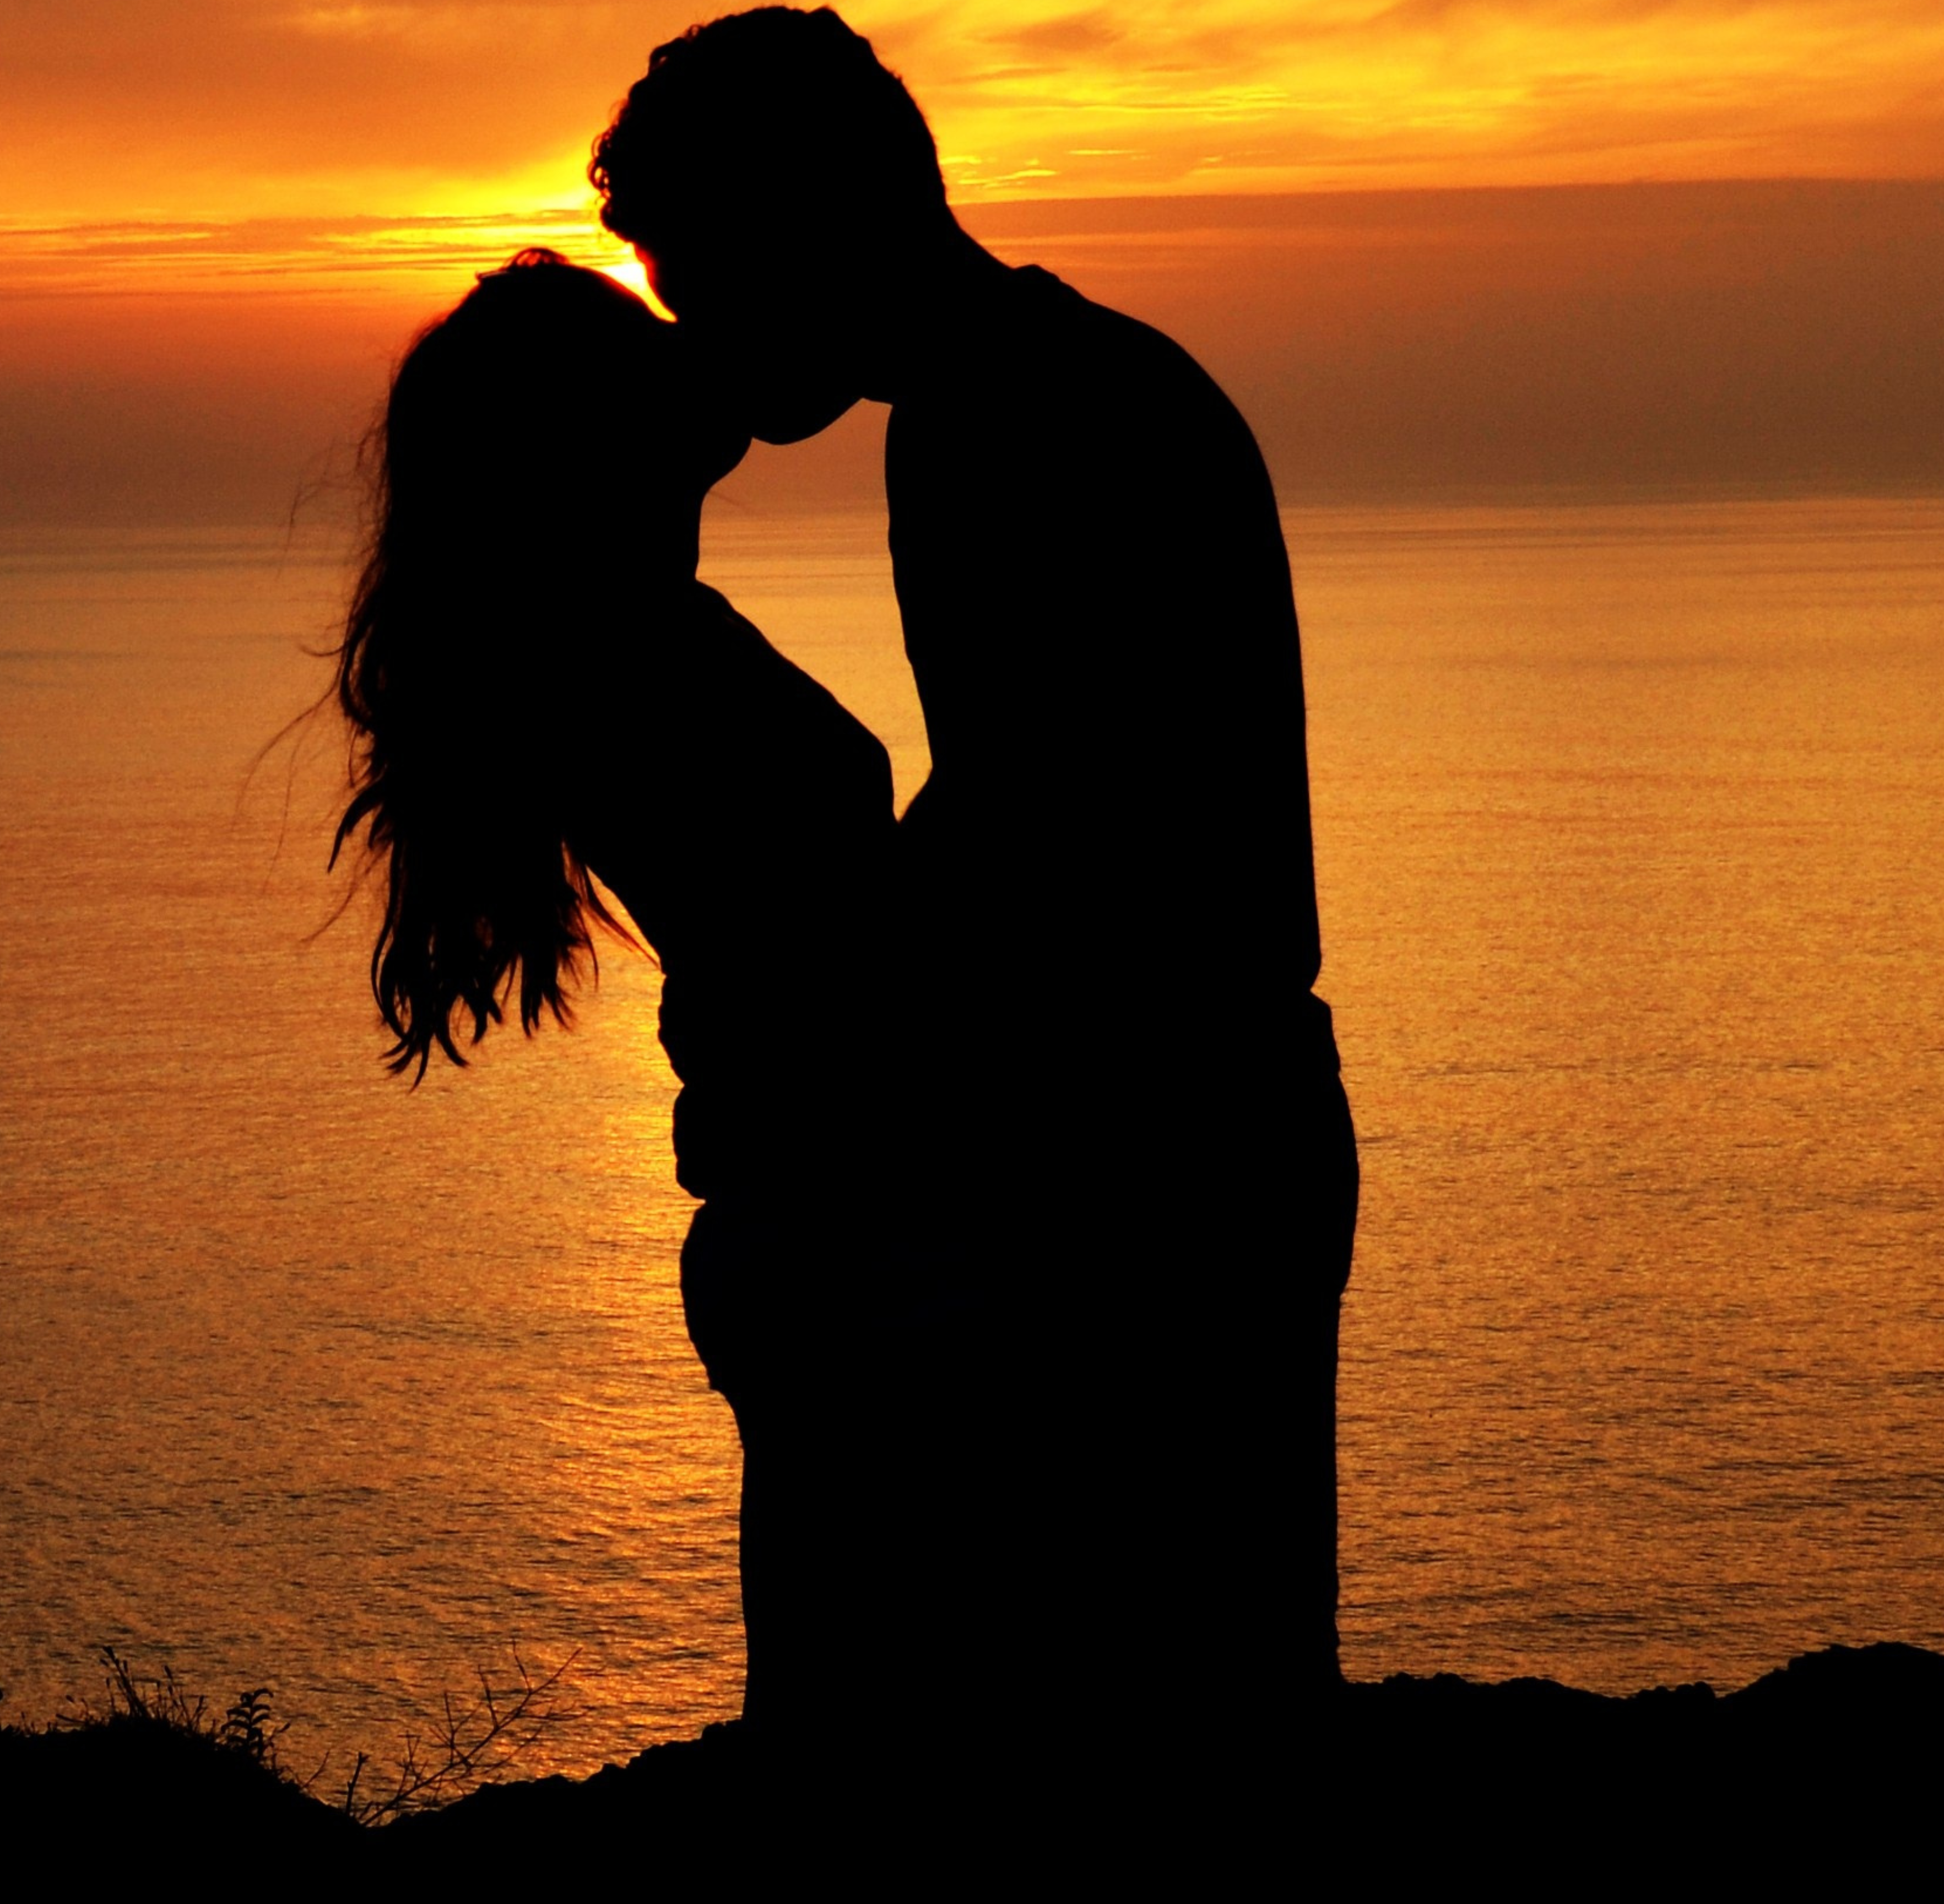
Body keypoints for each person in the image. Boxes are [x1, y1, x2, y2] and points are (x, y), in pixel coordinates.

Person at [589, 6, 1361, 1748]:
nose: (692, 326)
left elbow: (1037, 825)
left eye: (699, 272)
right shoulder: (1043, 386)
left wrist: (807, 1026)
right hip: (1188, 1123)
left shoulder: (1003, 418)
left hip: (1159, 1154)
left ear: (805, 222)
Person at [324, 252, 923, 1744]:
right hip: (836, 1227)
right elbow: (826, 937)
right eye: (645, 345)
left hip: (813, 1217)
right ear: (591, 441)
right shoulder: (632, 654)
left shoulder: (635, 632)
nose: (686, 352)